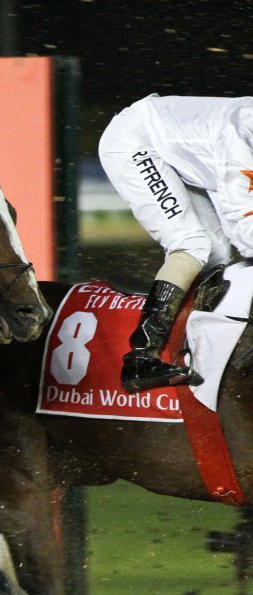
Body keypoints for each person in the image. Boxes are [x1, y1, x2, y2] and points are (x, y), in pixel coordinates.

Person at [98, 94, 253, 392]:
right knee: (191, 243)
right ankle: (141, 357)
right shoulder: (242, 131)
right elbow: (243, 227)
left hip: (183, 158)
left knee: (217, 254)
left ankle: (192, 345)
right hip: (135, 141)